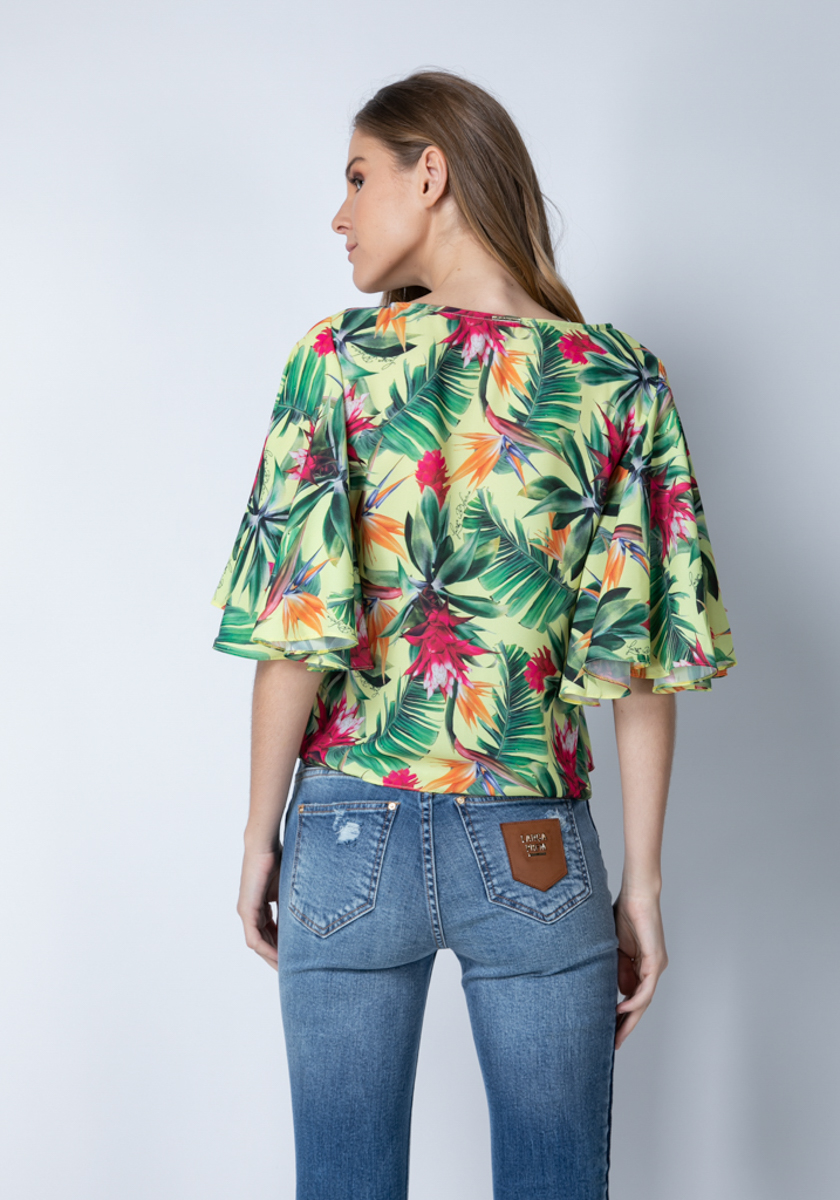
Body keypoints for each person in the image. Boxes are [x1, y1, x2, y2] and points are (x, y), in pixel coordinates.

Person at [209, 68, 737, 1200]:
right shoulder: (617, 381)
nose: (340, 214)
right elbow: (640, 657)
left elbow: (296, 630)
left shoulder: (337, 363)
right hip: (533, 838)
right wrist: (642, 883)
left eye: (358, 177)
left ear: (431, 174)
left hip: (347, 827)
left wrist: (260, 838)